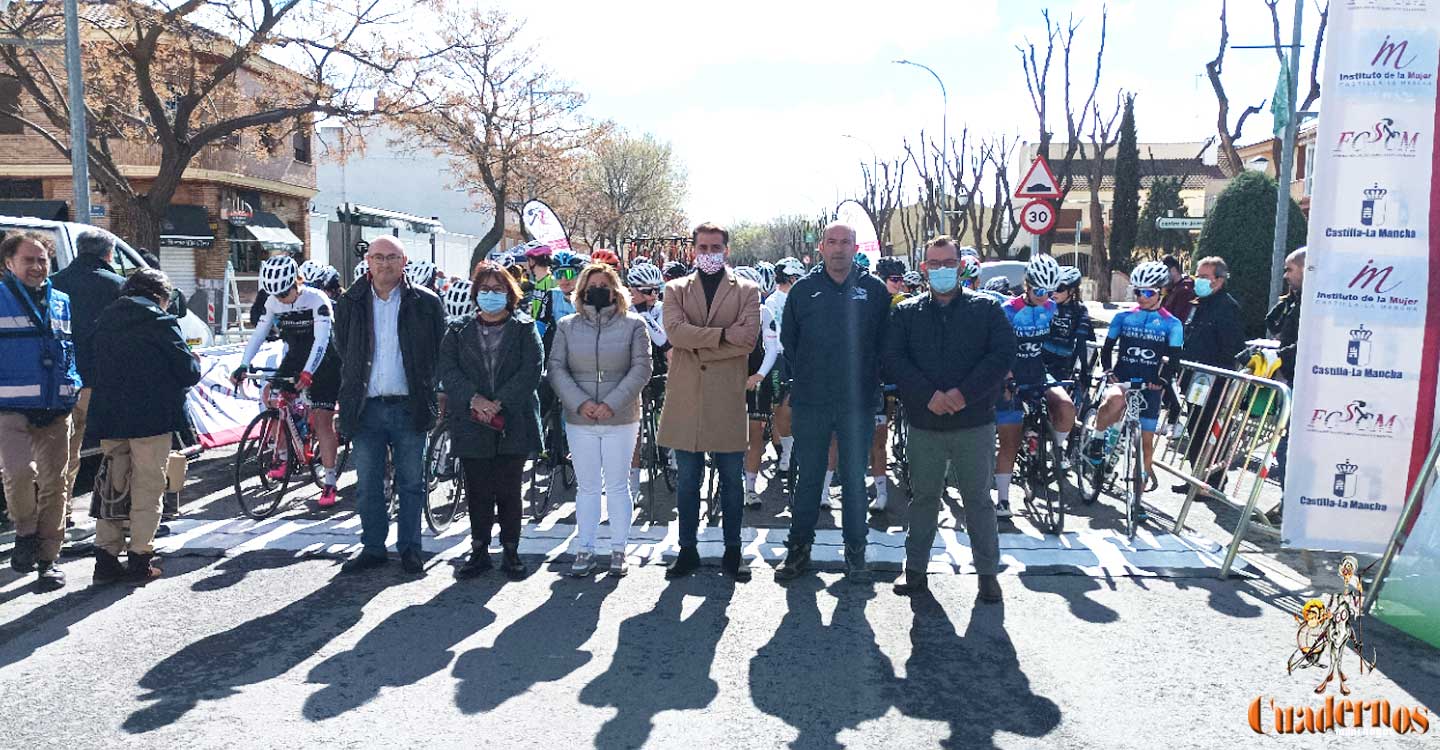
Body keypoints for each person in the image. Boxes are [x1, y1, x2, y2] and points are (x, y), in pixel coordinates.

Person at [885, 236, 1012, 601]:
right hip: (925, 424)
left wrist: (962, 394)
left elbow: (1001, 355)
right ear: (923, 268)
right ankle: (915, 571)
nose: (941, 269)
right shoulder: (906, 312)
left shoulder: (986, 309)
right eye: (934, 263)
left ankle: (988, 574)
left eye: (948, 262)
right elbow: (894, 358)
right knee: (923, 499)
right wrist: (929, 396)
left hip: (973, 422)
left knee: (978, 501)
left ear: (961, 265)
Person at [775, 222, 890, 581]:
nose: (839, 248)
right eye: (832, 242)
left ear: (856, 249)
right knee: (808, 477)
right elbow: (789, 342)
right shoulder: (803, 291)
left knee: (855, 478)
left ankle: (856, 553)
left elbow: (884, 345)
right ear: (821, 247)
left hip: (858, 402)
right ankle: (798, 551)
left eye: (846, 243)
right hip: (812, 401)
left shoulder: (874, 290)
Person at [333, 236, 446, 575]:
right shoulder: (350, 301)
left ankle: (411, 548)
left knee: (412, 482)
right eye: (378, 257)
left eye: (392, 257)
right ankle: (373, 547)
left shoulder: (425, 302)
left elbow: (437, 350)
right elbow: (344, 348)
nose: (385, 264)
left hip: (409, 405)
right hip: (365, 407)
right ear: (368, 260)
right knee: (368, 483)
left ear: (404, 261)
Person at [658, 226, 760, 580]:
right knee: (688, 481)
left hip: (727, 399)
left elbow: (747, 340)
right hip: (686, 397)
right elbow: (674, 333)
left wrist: (696, 340)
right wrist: (721, 336)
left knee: (732, 480)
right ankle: (688, 550)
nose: (709, 252)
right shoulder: (674, 289)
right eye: (703, 246)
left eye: (715, 247)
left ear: (727, 250)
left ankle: (733, 551)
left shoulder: (747, 290)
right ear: (693, 250)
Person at [87, 268, 201, 583]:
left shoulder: (104, 321)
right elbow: (188, 371)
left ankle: (105, 558)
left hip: (110, 417)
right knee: (148, 488)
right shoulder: (161, 323)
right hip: (151, 418)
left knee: (113, 484)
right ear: (159, 297)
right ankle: (140, 558)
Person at [438, 262, 543, 580]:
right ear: (475, 294)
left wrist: (498, 402)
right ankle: (479, 549)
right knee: (478, 490)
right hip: (471, 419)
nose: (491, 295)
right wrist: (475, 399)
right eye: (485, 290)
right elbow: (448, 369)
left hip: (513, 419)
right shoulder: (457, 329)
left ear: (510, 294)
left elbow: (531, 370)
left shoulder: (524, 328)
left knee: (509, 490)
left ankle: (511, 551)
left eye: (498, 289)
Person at [548, 262, 652, 578]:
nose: (598, 290)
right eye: (592, 285)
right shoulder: (567, 325)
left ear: (615, 289)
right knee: (588, 487)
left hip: (621, 416)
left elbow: (641, 369)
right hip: (580, 418)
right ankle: (586, 547)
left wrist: (611, 402)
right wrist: (581, 403)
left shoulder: (634, 325)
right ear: (581, 290)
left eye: (604, 285)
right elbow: (556, 368)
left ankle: (619, 549)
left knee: (619, 486)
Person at [0, 232, 80, 591]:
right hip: (10, 407)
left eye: (42, 260)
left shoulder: (61, 300)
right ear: (9, 263)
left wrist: (73, 384)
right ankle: (25, 533)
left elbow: (69, 348)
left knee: (56, 485)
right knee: (19, 473)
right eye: (28, 260)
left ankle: (48, 560)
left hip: (56, 407)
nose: (37, 266)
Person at [231, 255, 344, 507]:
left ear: (296, 282)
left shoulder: (317, 299)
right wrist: (243, 364)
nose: (282, 299)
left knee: (323, 419)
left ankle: (329, 481)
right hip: (295, 356)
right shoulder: (273, 301)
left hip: (324, 360)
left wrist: (308, 373)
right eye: (277, 295)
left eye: (285, 292)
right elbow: (259, 333)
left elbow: (321, 341)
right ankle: (282, 455)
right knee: (274, 401)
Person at [1087, 261, 1184, 510]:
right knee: (1115, 400)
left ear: (1161, 292)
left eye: (1148, 292)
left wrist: (1161, 381)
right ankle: (1097, 440)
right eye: (1138, 291)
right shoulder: (1123, 317)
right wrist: (1108, 371)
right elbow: (1107, 349)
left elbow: (1173, 360)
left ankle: (1137, 501)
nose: (1141, 297)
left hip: (1150, 387)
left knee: (1145, 447)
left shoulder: (1172, 323)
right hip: (1123, 378)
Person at [49, 230, 124, 530]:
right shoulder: (118, 286)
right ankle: (116, 510)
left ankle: (60, 513)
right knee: (116, 447)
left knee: (64, 451)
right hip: (106, 379)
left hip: (64, 379)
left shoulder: (54, 284)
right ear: (109, 254)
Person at [994, 254, 1076, 517]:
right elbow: (999, 351)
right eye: (1039, 290)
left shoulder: (1051, 308)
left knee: (1065, 407)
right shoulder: (1007, 310)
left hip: (1038, 373)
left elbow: (1051, 344)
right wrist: (1007, 379)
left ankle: (1054, 450)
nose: (1045, 296)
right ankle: (1003, 500)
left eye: (1050, 291)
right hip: (1010, 376)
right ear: (1027, 285)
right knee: (1010, 440)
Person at [1172, 255, 1244, 493]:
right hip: (1194, 380)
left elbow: (1231, 346)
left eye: (1204, 277)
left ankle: (1214, 482)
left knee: (1211, 433)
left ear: (1219, 281)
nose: (1198, 281)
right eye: (1197, 276)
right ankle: (1196, 478)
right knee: (1194, 429)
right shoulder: (1197, 304)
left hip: (1215, 382)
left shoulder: (1227, 307)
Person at [733, 265, 778, 513]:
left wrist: (759, 375)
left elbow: (771, 349)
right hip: (727, 379)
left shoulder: (764, 313)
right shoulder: (721, 312)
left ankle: (750, 488)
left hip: (756, 376)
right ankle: (729, 480)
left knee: (755, 435)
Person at [626, 261, 670, 503]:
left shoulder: (665, 309)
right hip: (634, 370)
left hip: (663, 367)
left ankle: (671, 451)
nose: (653, 295)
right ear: (633, 290)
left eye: (656, 290)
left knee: (669, 412)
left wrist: (644, 314)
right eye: (647, 291)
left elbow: (665, 342)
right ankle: (633, 481)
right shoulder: (625, 311)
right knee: (635, 429)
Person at [1266, 247, 1305, 494]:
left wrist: (1279, 355)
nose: (1286, 276)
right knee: (1284, 446)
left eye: (1290, 270)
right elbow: (1273, 323)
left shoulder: (1314, 301)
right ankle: (1287, 501)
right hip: (1292, 378)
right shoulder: (1296, 300)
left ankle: (1289, 503)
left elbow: (1309, 340)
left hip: (1305, 381)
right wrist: (1289, 299)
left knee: (1287, 448)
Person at [767, 257, 805, 471]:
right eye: (798, 278)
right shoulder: (773, 302)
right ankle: (787, 451)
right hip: (779, 358)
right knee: (780, 406)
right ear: (791, 278)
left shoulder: (801, 299)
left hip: (802, 358)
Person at [1042, 265, 1093, 382]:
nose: (1054, 292)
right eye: (1052, 287)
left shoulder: (1080, 310)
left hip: (1064, 363)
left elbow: (1081, 342)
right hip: (1041, 360)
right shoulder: (1045, 305)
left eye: (1059, 288)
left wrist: (1084, 370)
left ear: (1072, 290)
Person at [1160, 254, 1196, 318]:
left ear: (1173, 270)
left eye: (1163, 273)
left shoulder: (1184, 291)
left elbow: (1177, 319)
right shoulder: (1172, 289)